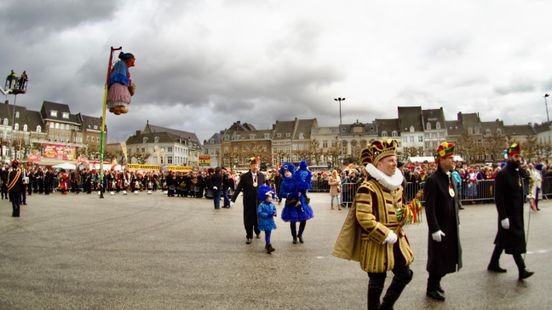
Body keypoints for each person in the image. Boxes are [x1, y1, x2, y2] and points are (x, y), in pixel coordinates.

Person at [333, 139, 413, 310]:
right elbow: (363, 217)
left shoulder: (397, 187)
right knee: (376, 283)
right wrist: (384, 234)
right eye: (390, 160)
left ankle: (386, 306)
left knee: (405, 274)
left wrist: (405, 213)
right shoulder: (367, 188)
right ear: (379, 164)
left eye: (395, 159)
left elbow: (401, 208)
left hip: (397, 240)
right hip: (376, 242)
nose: (395, 163)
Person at [487, 143, 534, 281]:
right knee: (514, 242)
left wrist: (527, 194)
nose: (518, 158)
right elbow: (499, 197)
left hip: (516, 213)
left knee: (502, 240)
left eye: (519, 156)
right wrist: (503, 216)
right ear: (510, 157)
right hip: (508, 215)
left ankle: (493, 263)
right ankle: (522, 269)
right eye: (516, 156)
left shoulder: (517, 172)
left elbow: (521, 186)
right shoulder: (503, 174)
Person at [423, 142, 463, 301]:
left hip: (450, 226)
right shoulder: (433, 180)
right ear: (441, 160)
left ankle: (436, 283)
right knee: (438, 258)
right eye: (450, 158)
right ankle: (431, 287)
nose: (453, 161)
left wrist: (456, 219)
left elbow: (453, 200)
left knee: (447, 257)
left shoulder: (449, 177)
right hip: (439, 228)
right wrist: (434, 229)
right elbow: (429, 207)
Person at [231, 157, 265, 244]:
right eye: (253, 165)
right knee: (248, 219)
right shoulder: (244, 176)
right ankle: (249, 236)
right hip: (248, 202)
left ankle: (257, 232)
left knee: (258, 218)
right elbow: (238, 188)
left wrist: (268, 196)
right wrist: (233, 200)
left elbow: (264, 188)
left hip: (259, 202)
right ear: (250, 166)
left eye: (256, 166)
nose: (255, 167)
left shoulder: (261, 176)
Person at [279, 162, 314, 244]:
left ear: (291, 171)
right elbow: (281, 193)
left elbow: (304, 185)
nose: (287, 173)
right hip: (291, 202)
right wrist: (289, 194)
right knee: (293, 220)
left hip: (300, 201)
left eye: (288, 171)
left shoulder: (297, 178)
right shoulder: (283, 182)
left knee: (304, 219)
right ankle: (294, 237)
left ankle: (300, 234)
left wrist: (303, 187)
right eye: (285, 172)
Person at [257, 184, 277, 254]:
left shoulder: (272, 204)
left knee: (268, 233)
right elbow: (259, 212)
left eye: (271, 197)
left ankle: (267, 244)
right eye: (269, 197)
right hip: (264, 221)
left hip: (270, 221)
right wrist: (267, 215)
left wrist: (274, 213)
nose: (271, 198)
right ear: (265, 197)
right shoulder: (262, 205)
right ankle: (269, 246)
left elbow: (274, 209)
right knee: (267, 234)